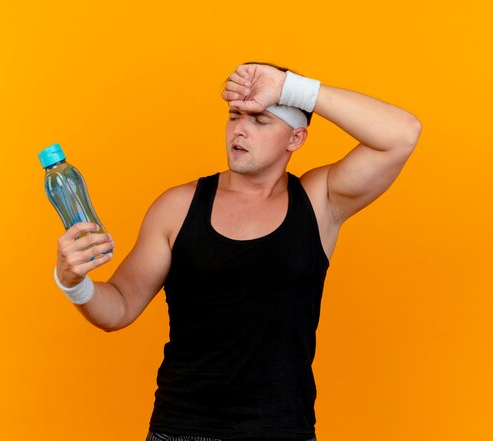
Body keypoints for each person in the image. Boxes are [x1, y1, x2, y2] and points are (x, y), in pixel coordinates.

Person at [53, 61, 422, 441]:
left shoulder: (318, 200)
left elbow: (402, 134)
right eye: (235, 116)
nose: (240, 130)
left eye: (260, 120)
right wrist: (73, 281)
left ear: (295, 139)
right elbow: (118, 308)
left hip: (283, 431)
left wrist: (291, 88)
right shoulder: (177, 207)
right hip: (181, 430)